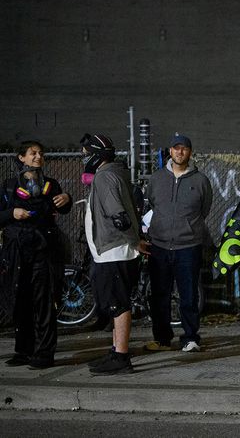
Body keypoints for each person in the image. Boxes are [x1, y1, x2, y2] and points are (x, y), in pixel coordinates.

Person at [1, 141, 72, 369]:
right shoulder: (9, 186)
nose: (38, 156)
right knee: (20, 300)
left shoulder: (51, 185)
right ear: (21, 157)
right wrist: (12, 212)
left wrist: (66, 200)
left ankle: (44, 353)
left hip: (44, 251)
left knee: (44, 302)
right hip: (17, 252)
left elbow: (62, 208)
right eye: (33, 153)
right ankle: (23, 351)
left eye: (41, 153)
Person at [80, 133, 145, 375]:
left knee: (118, 304)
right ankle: (116, 350)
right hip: (114, 250)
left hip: (114, 251)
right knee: (116, 303)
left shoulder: (105, 177)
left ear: (96, 156)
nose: (83, 158)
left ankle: (121, 357)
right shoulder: (116, 172)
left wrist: (133, 240)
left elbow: (119, 216)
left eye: (86, 154)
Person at [143, 134, 213, 353]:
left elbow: (204, 209)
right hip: (160, 246)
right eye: (176, 148)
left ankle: (190, 338)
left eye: (184, 149)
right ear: (170, 152)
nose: (180, 152)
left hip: (188, 247)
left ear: (189, 153)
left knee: (189, 296)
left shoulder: (200, 181)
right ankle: (163, 339)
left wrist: (187, 227)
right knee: (159, 296)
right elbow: (152, 204)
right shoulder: (156, 179)